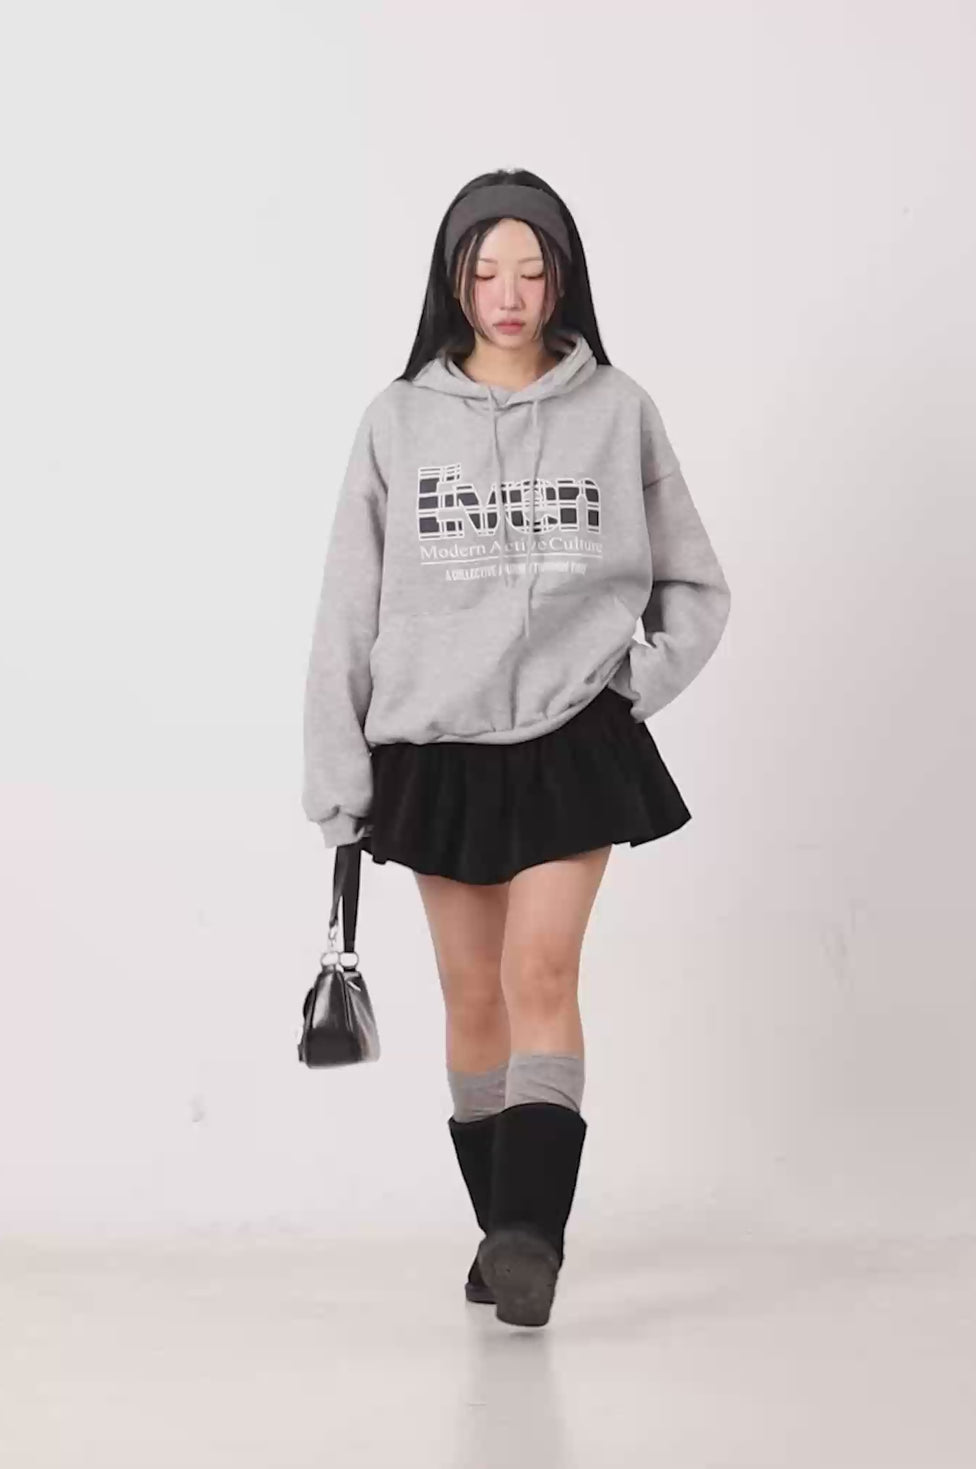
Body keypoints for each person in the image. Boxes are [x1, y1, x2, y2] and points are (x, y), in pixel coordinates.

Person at [301, 168, 732, 1328]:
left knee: (542, 970)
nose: (509, 294)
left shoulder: (617, 408)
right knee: (471, 992)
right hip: (435, 743)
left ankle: (531, 1234)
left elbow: (697, 583)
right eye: (485, 271)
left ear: (562, 279)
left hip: (569, 739)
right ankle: (502, 1230)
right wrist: (337, 772)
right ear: (453, 283)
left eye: (532, 271)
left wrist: (631, 684)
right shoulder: (396, 420)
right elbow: (347, 607)